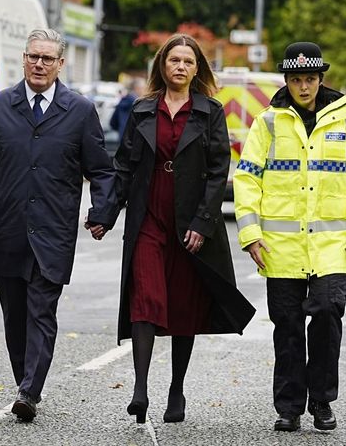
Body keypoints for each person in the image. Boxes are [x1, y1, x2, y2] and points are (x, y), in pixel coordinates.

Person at [100, 33, 255, 425]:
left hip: (189, 219)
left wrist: (203, 222)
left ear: (196, 68)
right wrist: (105, 212)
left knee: (184, 306)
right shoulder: (141, 110)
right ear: (162, 66)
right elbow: (123, 165)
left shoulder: (210, 111)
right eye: (174, 60)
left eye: (188, 61)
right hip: (149, 214)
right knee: (146, 298)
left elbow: (220, 171)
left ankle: (176, 389)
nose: (181, 66)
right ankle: (140, 389)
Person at [0, 28, 117, 423]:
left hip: (53, 232)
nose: (39, 64)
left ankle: (30, 391)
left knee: (42, 312)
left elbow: (101, 170)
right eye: (34, 56)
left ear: (60, 64)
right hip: (7, 230)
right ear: (24, 58)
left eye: (47, 59)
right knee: (14, 316)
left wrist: (102, 212)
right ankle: (25, 383)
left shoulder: (79, 111)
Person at [233, 41, 346, 432]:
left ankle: (323, 402)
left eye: (310, 79)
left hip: (332, 246)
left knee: (328, 317)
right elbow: (247, 178)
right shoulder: (267, 123)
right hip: (280, 247)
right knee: (288, 325)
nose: (303, 86)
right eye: (296, 79)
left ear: (320, 80)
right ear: (287, 80)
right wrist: (250, 234)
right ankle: (290, 407)